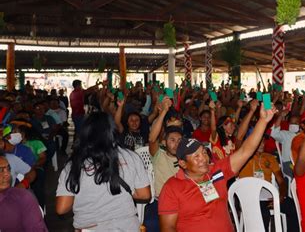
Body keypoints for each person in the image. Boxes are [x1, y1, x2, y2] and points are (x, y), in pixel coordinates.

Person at [158, 103, 277, 231]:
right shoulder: (172, 188)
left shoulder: (216, 171)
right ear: (183, 163)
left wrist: (263, 121)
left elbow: (245, 151)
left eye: (204, 152)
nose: (203, 159)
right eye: (196, 157)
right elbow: (168, 228)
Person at [56, 112, 151, 231]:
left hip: (90, 228)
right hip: (127, 226)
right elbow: (144, 195)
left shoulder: (74, 164)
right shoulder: (131, 156)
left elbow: (62, 208)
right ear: (112, 131)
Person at [146, 97, 184, 232]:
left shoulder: (187, 158)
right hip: (160, 202)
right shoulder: (158, 155)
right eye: (172, 140)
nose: (176, 144)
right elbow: (152, 138)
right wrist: (163, 112)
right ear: (164, 142)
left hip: (182, 203)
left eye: (179, 140)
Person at [0, 151, 47, 232]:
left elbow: (31, 171)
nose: (7, 174)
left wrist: (24, 184)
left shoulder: (21, 199)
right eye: (0, 170)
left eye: (8, 169)